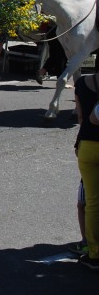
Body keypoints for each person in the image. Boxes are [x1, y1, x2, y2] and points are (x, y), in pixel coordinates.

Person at [73, 73, 99, 270]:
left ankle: (93, 251)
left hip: (87, 144)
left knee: (91, 202)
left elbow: (83, 118)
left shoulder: (82, 83)